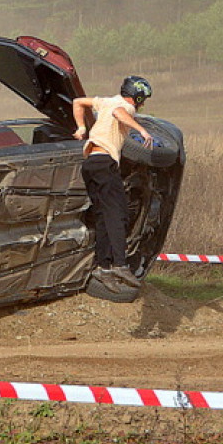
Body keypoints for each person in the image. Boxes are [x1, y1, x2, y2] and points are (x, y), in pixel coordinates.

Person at [72, 75, 154, 291]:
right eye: (142, 99)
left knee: (103, 216)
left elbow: (77, 102)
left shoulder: (106, 101)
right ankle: (120, 264)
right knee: (119, 214)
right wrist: (141, 130)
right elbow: (119, 114)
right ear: (135, 97)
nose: (142, 104)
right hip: (105, 163)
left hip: (89, 164)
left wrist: (81, 128)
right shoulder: (123, 106)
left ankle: (103, 267)